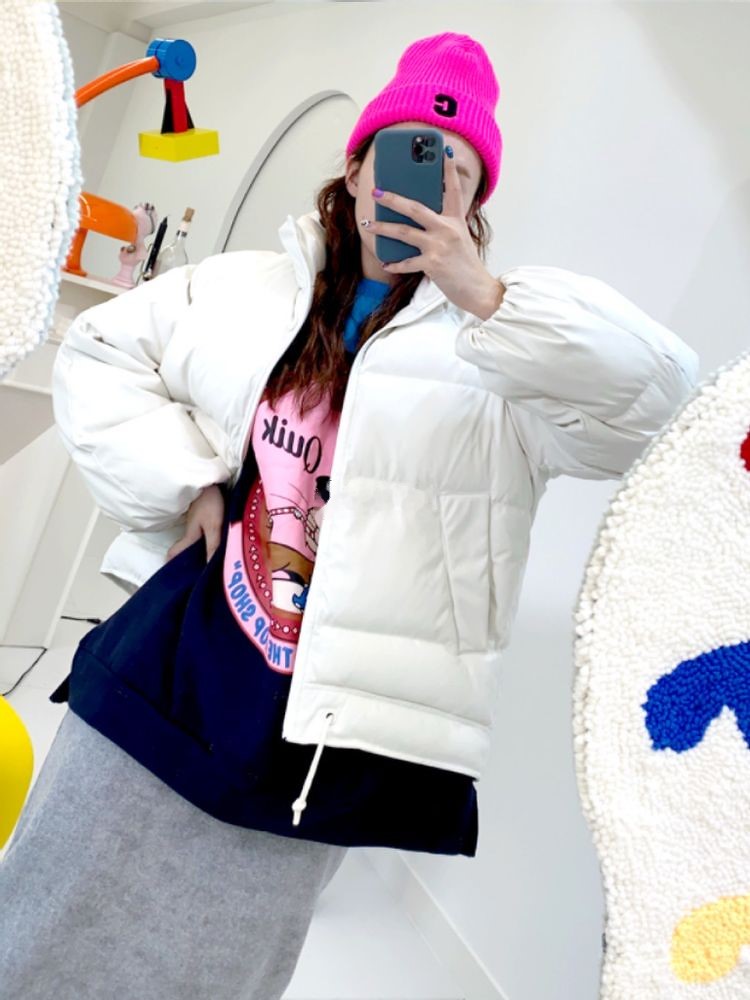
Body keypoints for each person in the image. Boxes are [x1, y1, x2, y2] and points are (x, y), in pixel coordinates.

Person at [0, 30, 700, 1000]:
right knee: (41, 917)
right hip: (167, 669)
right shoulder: (245, 288)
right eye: (405, 153)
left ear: (473, 204)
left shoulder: (502, 360)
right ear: (359, 165)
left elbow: (666, 409)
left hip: (321, 743)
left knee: (218, 970)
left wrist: (489, 298)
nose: (420, 182)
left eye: (453, 170)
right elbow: (100, 353)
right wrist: (187, 480)